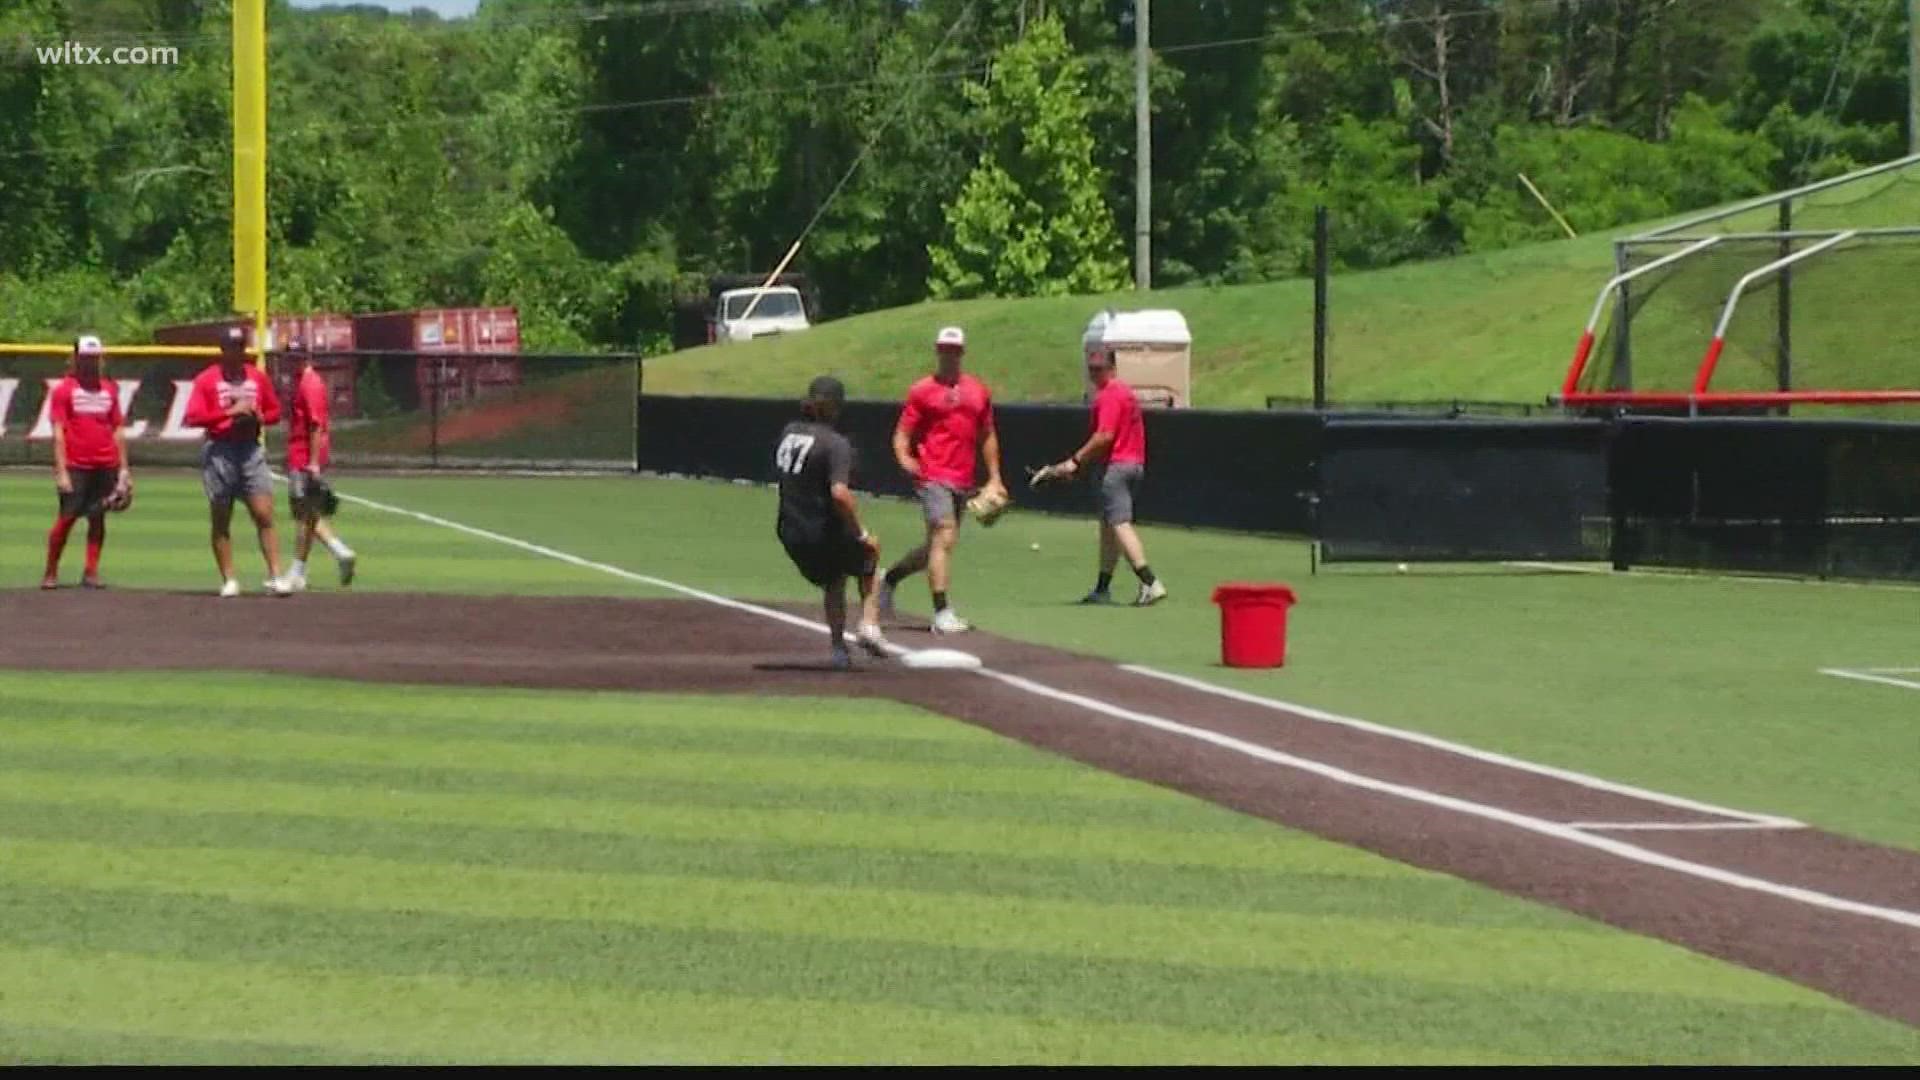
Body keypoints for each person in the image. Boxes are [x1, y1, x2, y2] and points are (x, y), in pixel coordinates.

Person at [878, 326, 1005, 634]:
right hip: (933, 474)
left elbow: (987, 434)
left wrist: (995, 478)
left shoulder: (978, 391)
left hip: (963, 476)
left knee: (936, 545)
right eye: (943, 349)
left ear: (961, 352)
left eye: (953, 350)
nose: (948, 354)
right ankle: (941, 612)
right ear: (938, 351)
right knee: (944, 533)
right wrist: (905, 459)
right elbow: (902, 433)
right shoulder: (922, 390)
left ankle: (889, 579)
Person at [775, 375, 890, 669]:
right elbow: (839, 494)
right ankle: (869, 626)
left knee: (834, 580)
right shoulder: (835, 444)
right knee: (871, 559)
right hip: (822, 529)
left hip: (790, 529)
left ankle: (839, 650)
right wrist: (862, 534)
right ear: (837, 407)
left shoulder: (789, 432)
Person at [1048, 347, 1166, 606]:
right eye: (1091, 368)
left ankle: (1149, 581)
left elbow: (1104, 436)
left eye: (1100, 368)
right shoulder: (1124, 392)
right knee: (1108, 526)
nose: (1095, 373)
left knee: (1119, 524)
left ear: (1113, 367)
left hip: (1117, 468)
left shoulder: (1110, 395)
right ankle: (1103, 588)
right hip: (1132, 464)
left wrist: (1075, 461)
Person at [183, 326, 290, 598]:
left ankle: (276, 575)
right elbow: (193, 417)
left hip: (250, 449)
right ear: (223, 349)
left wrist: (259, 415)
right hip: (220, 449)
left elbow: (275, 411)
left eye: (241, 346)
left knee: (264, 513)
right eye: (232, 347)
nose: (238, 352)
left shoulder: (256, 378)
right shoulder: (207, 380)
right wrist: (230, 411)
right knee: (221, 515)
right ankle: (229, 578)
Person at [42, 335, 130, 590]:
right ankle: (51, 571)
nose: (91, 363)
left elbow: (117, 429)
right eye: (86, 358)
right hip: (76, 464)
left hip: (106, 463)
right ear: (75, 359)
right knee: (66, 518)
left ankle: (91, 571)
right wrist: (61, 471)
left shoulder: (109, 389)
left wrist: (124, 468)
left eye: (95, 358)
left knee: (98, 517)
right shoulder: (64, 390)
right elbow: (58, 432)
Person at [283, 349, 357, 591]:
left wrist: (313, 462)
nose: (292, 359)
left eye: (297, 355)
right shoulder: (302, 381)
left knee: (303, 513)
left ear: (307, 356)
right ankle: (304, 569)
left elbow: (316, 425)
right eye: (290, 355)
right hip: (301, 452)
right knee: (305, 514)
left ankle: (315, 563)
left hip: (305, 454)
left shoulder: (310, 384)